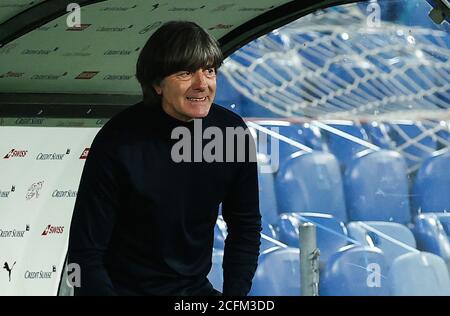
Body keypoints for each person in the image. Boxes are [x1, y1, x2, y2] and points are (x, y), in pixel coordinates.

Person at [68, 21, 262, 296]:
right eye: (185, 73)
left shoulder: (231, 133)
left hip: (193, 292)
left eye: (209, 70)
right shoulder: (118, 141)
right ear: (157, 83)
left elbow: (246, 226)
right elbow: (85, 251)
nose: (202, 84)